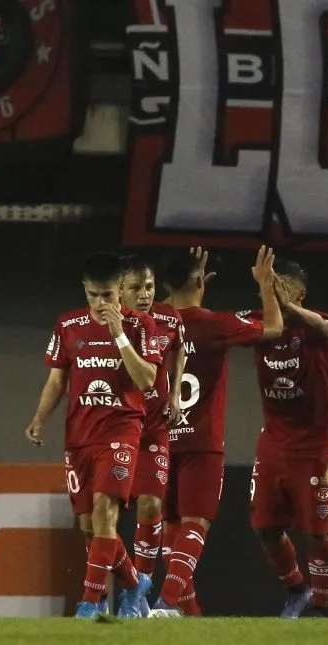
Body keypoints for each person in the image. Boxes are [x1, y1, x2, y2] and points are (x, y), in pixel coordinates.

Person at [148, 246, 284, 618]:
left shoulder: (152, 321)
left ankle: (187, 615)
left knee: (170, 527)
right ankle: (165, 604)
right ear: (200, 281)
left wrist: (183, 285)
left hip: (159, 439)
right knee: (195, 524)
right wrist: (265, 286)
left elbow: (167, 304)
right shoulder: (216, 324)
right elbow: (274, 327)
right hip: (201, 441)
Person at [25, 252, 162, 619]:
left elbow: (147, 380)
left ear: (120, 289)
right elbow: (57, 380)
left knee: (105, 512)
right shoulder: (68, 325)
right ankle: (132, 583)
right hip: (79, 436)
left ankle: (89, 603)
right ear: (84, 290)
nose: (101, 303)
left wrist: (118, 335)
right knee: (89, 525)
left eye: (108, 295)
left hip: (121, 432)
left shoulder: (141, 326)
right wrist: (39, 418)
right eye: (93, 295)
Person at [243, 260, 328, 618]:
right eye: (271, 286)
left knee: (319, 533)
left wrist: (288, 307)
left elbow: (326, 327)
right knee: (265, 528)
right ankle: (298, 591)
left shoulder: (314, 325)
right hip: (274, 443)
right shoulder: (257, 324)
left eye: (284, 287)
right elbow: (211, 325)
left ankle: (320, 608)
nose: (277, 292)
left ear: (301, 294)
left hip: (316, 445)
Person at [118, 255, 185, 616]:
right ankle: (107, 589)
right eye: (136, 288)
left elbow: (179, 350)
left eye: (149, 287)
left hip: (154, 429)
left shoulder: (168, 319)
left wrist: (173, 394)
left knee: (151, 504)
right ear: (119, 290)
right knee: (100, 516)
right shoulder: (108, 325)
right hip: (116, 429)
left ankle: (139, 593)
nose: (145, 294)